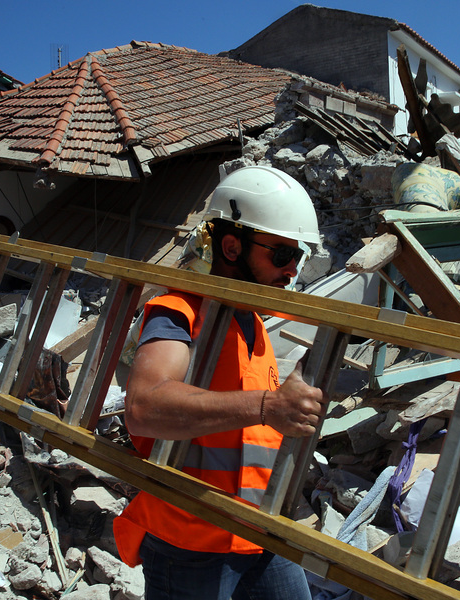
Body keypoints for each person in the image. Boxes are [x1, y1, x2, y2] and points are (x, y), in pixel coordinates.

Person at [113, 165, 327, 600]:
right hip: (189, 542)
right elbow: (143, 408)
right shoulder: (176, 312)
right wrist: (269, 405)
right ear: (231, 246)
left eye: (298, 257)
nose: (291, 271)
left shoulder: (257, 326)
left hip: (261, 533)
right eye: (282, 255)